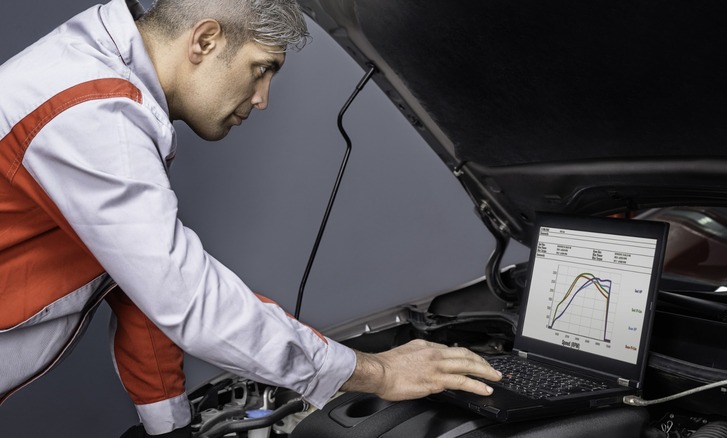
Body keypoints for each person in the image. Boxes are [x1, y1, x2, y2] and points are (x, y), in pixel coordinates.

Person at [0, 0, 502, 436]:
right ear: (206, 39)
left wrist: (169, 429)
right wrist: (376, 373)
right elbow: (187, 300)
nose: (262, 99)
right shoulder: (90, 112)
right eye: (262, 68)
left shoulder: (109, 91)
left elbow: (141, 293)